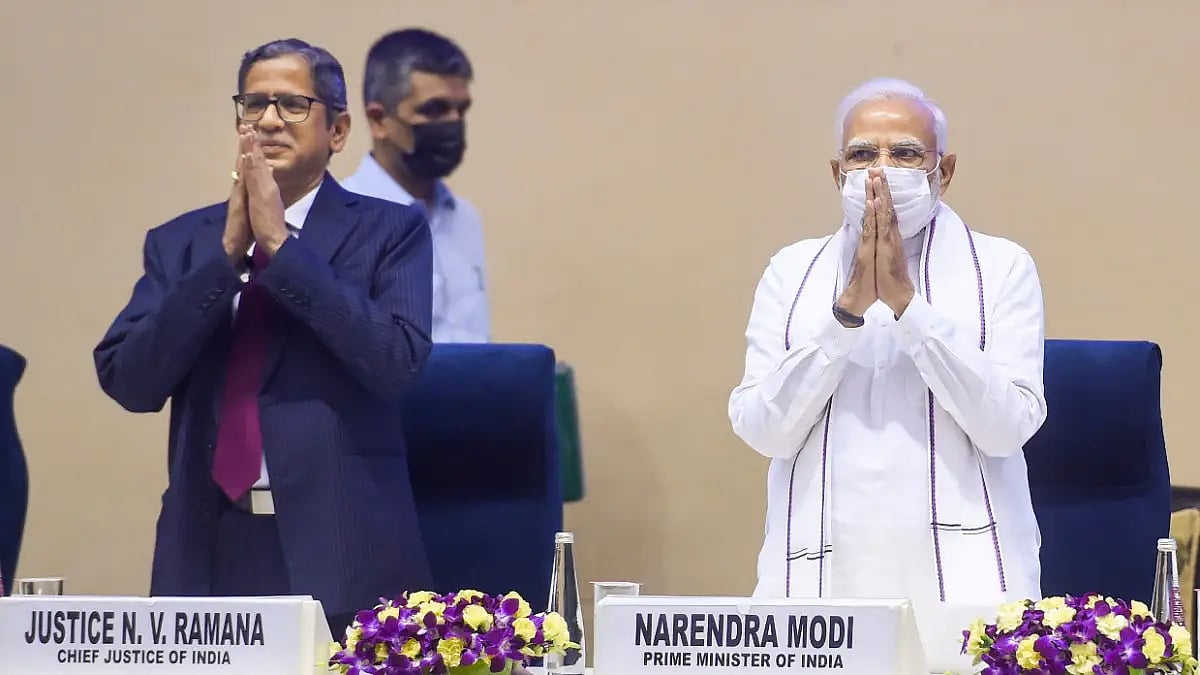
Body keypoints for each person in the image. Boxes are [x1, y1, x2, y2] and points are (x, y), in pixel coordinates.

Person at [93, 38, 435, 638]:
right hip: (206, 551)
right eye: (254, 104)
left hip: (342, 551)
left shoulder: (390, 231)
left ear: (337, 131)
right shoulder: (182, 242)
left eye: (292, 104)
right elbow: (131, 381)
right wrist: (227, 255)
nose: (270, 119)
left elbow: (395, 363)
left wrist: (281, 247)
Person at [728, 78, 1047, 607]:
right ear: (837, 173)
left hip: (967, 580)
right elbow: (764, 429)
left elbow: (1008, 426)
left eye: (905, 154)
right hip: (823, 586)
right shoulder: (790, 272)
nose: (880, 171)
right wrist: (845, 314)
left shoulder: (1002, 268)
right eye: (861, 155)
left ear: (944, 172)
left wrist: (908, 306)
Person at [342, 28, 490, 343]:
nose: (453, 123)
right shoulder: (340, 222)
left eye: (461, 110)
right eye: (434, 110)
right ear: (379, 120)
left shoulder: (464, 218)